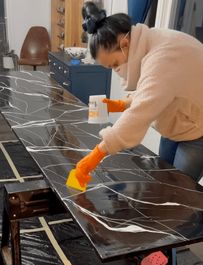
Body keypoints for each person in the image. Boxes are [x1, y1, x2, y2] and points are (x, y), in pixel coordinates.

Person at [75, 8, 203, 188]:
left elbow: (138, 116)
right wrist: (121, 103)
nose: (116, 71)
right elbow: (155, 89)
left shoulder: (162, 57)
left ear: (124, 43)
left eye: (115, 64)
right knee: (161, 182)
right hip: (179, 121)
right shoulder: (148, 42)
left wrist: (93, 158)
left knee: (179, 194)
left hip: (198, 131)